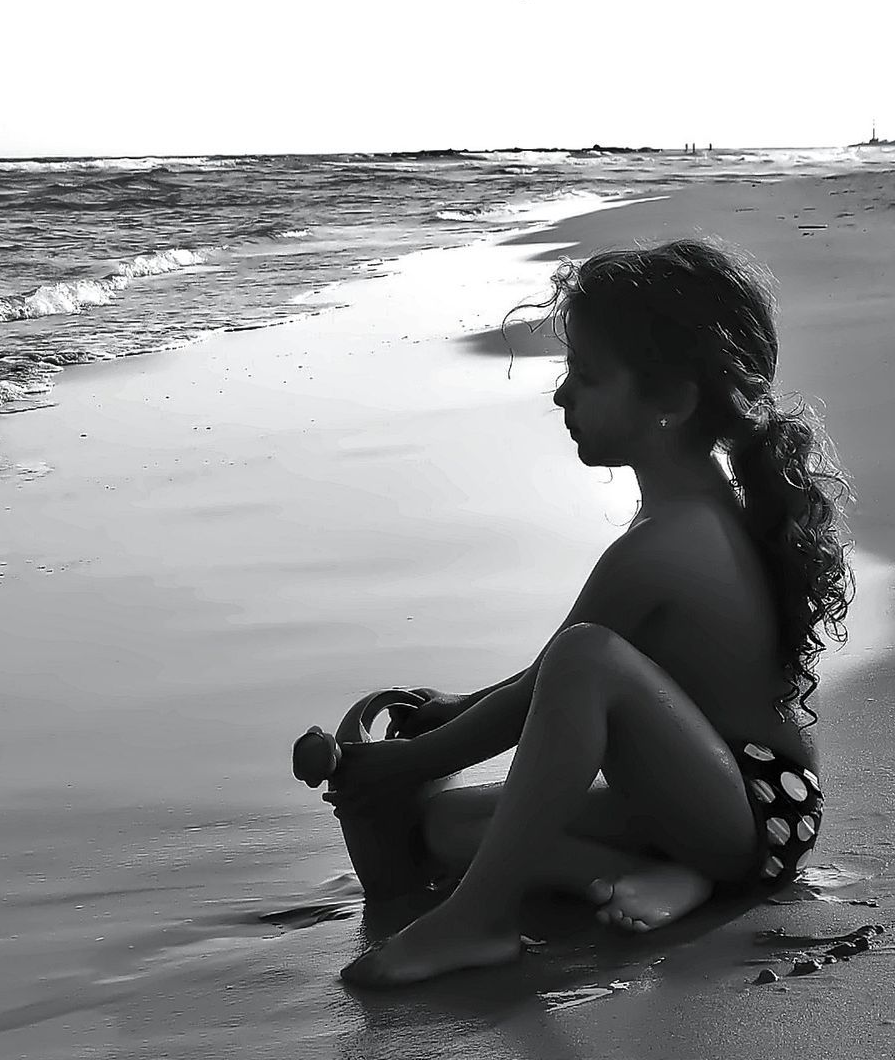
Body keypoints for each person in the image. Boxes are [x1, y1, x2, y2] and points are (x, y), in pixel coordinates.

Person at [332, 237, 854, 987]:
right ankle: (655, 875)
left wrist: (402, 766)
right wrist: (455, 710)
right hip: (692, 799)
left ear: (672, 401)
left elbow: (557, 684)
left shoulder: (671, 541)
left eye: (587, 376)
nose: (562, 396)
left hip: (755, 811)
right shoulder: (677, 513)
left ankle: (477, 920)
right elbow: (538, 685)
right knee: (450, 826)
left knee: (587, 656)